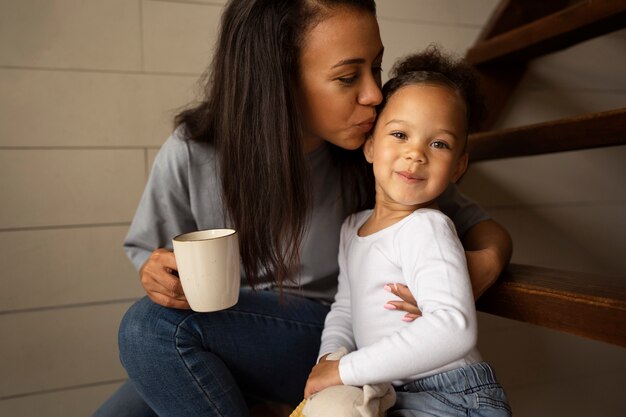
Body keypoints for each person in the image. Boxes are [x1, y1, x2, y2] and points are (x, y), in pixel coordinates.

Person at [92, 1, 512, 416]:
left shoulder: (386, 151)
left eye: (376, 68)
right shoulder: (192, 151)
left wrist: (484, 264)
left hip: (334, 336)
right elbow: (151, 252)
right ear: (279, 80)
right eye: (348, 77)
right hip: (231, 333)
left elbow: (481, 227)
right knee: (145, 344)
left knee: (149, 329)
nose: (373, 94)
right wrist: (156, 273)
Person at [302, 46, 511, 416]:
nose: (416, 154)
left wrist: (347, 370)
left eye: (438, 143)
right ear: (369, 146)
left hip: (451, 396)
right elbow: (345, 310)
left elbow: (453, 328)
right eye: (400, 134)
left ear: (458, 167)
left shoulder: (428, 228)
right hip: (391, 388)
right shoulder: (353, 227)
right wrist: (330, 360)